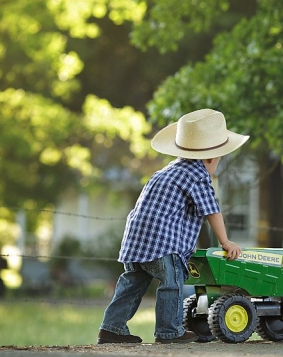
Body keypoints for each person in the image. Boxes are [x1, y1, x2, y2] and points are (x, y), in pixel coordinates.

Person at [97, 109, 248, 344]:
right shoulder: (198, 175)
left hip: (135, 242)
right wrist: (225, 242)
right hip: (163, 244)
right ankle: (169, 331)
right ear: (211, 158)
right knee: (172, 283)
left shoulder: (167, 171)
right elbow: (212, 211)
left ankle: (111, 328)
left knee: (132, 283)